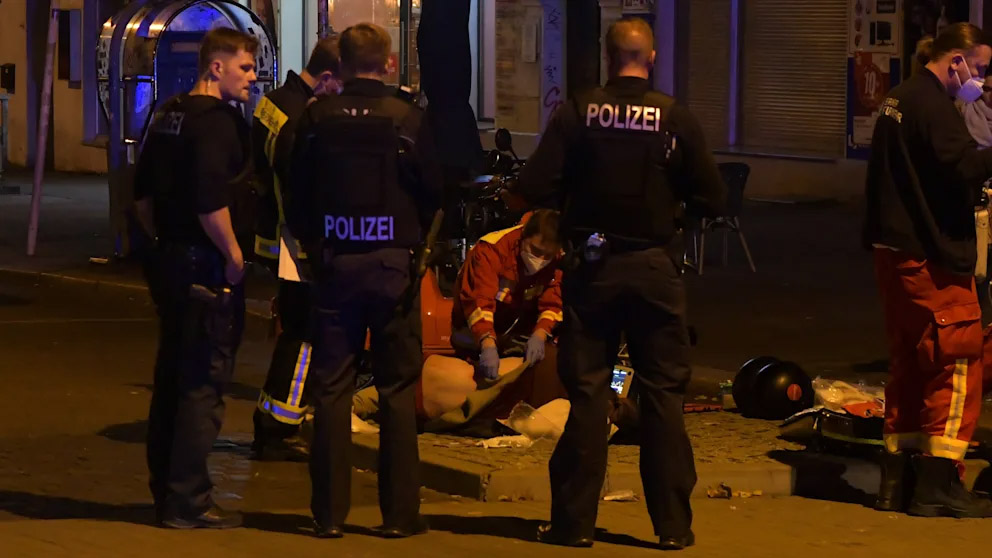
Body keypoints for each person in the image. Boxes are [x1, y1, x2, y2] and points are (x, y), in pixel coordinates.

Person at [514, 18, 725, 550]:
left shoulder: (578, 113)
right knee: (663, 395)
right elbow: (713, 196)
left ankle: (574, 525)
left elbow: (534, 184)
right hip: (655, 270)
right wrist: (674, 214)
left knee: (589, 394)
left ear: (608, 57)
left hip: (594, 270)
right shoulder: (674, 117)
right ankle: (673, 527)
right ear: (650, 57)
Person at [286, 22, 443, 539]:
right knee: (397, 389)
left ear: (341, 64)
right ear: (389, 62)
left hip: (336, 265)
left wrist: (315, 246)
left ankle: (329, 515)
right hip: (393, 267)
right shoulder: (407, 118)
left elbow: (296, 191)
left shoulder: (317, 118)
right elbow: (434, 189)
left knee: (332, 388)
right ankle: (399, 515)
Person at [864, 22, 992, 518]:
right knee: (955, 362)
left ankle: (896, 481)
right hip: (930, 254)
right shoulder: (934, 107)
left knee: (910, 362)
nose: (981, 78)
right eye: (979, 67)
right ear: (956, 59)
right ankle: (938, 485)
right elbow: (960, 168)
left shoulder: (899, 98)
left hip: (895, 250)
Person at [133, 27, 258, 529]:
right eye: (244, 67)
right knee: (202, 384)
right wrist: (233, 254)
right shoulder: (218, 124)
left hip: (170, 260)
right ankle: (189, 500)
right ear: (216, 67)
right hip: (206, 265)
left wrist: (160, 243)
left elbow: (141, 195)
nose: (252, 76)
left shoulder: (168, 113)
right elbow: (211, 199)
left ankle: (165, 491)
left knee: (171, 377)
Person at [250, 36, 343, 462]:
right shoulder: (302, 115)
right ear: (326, 77)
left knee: (293, 332)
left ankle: (273, 419)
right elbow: (299, 184)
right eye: (341, 85)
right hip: (297, 243)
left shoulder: (273, 103)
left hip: (277, 236)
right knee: (304, 336)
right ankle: (281, 428)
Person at [451, 208, 567, 417]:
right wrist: (487, 342)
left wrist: (540, 333)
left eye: (547, 255)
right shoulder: (492, 249)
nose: (540, 260)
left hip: (515, 333)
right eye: (535, 250)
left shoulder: (558, 258)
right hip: (474, 330)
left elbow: (553, 302)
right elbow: (478, 302)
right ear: (523, 237)